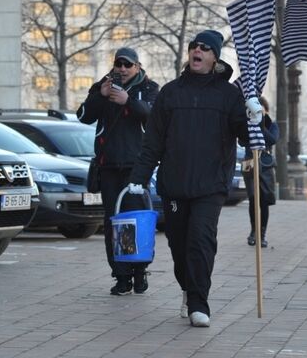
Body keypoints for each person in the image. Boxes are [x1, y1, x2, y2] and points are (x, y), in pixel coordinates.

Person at [128, 30, 250, 328]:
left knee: (201, 241)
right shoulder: (171, 92)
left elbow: (250, 136)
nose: (197, 51)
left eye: (205, 48)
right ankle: (187, 287)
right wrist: (139, 177)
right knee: (179, 245)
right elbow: (153, 141)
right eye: (194, 47)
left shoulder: (229, 94)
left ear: (214, 57)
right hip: (175, 184)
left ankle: (199, 302)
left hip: (211, 185)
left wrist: (256, 115)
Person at [76, 46, 159, 296]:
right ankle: (121, 276)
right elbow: (83, 116)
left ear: (137, 66)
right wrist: (99, 96)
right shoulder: (103, 86)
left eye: (127, 64)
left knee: (135, 222)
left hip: (136, 167)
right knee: (114, 223)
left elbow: (155, 116)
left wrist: (128, 101)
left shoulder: (149, 88)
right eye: (118, 64)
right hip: (109, 166)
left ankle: (139, 271)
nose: (122, 69)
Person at [240, 96, 279, 248]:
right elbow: (242, 141)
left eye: (260, 110)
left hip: (266, 166)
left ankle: (262, 233)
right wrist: (251, 125)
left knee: (264, 201)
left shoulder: (272, 125)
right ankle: (253, 231)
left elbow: (272, 140)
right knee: (253, 199)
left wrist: (261, 125)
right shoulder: (248, 125)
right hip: (250, 165)